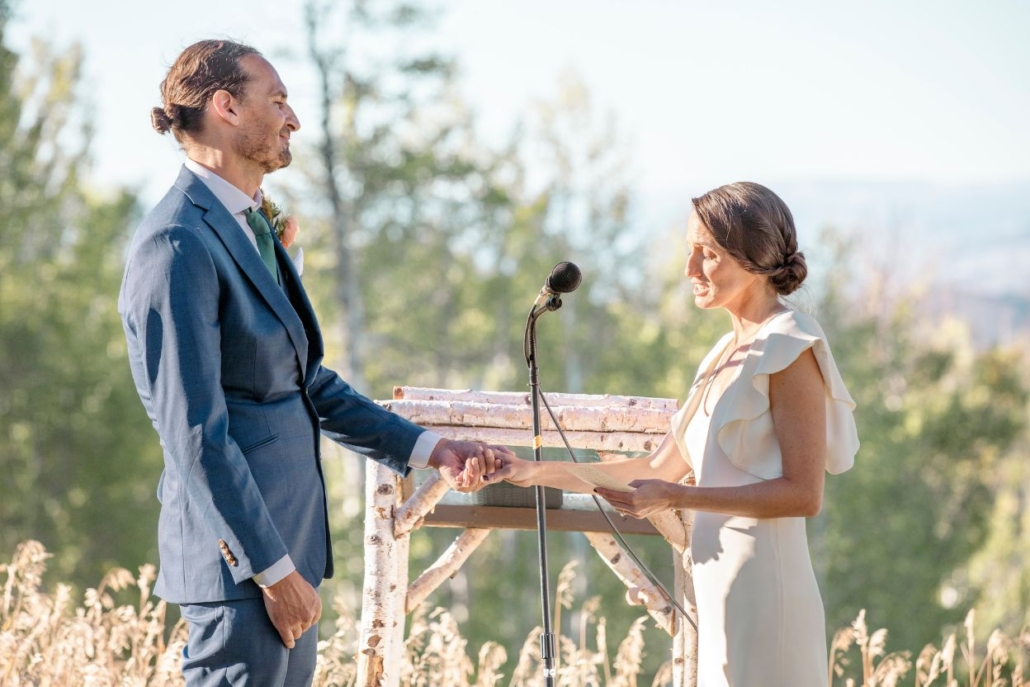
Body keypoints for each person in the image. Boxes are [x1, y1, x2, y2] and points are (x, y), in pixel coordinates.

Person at [118, 39, 508, 687]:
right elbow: (195, 434)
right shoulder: (176, 243)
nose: (293, 118)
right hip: (242, 568)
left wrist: (430, 447)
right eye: (277, 100)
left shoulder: (250, 227)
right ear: (225, 107)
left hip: (288, 553)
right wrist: (270, 571)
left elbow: (306, 382)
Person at [491, 182, 859, 686]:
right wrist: (531, 471)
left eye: (705, 254)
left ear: (753, 260)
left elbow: (803, 494)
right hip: (718, 591)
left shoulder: (791, 348)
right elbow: (653, 470)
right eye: (689, 251)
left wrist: (677, 496)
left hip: (766, 592)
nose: (689, 269)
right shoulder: (722, 354)